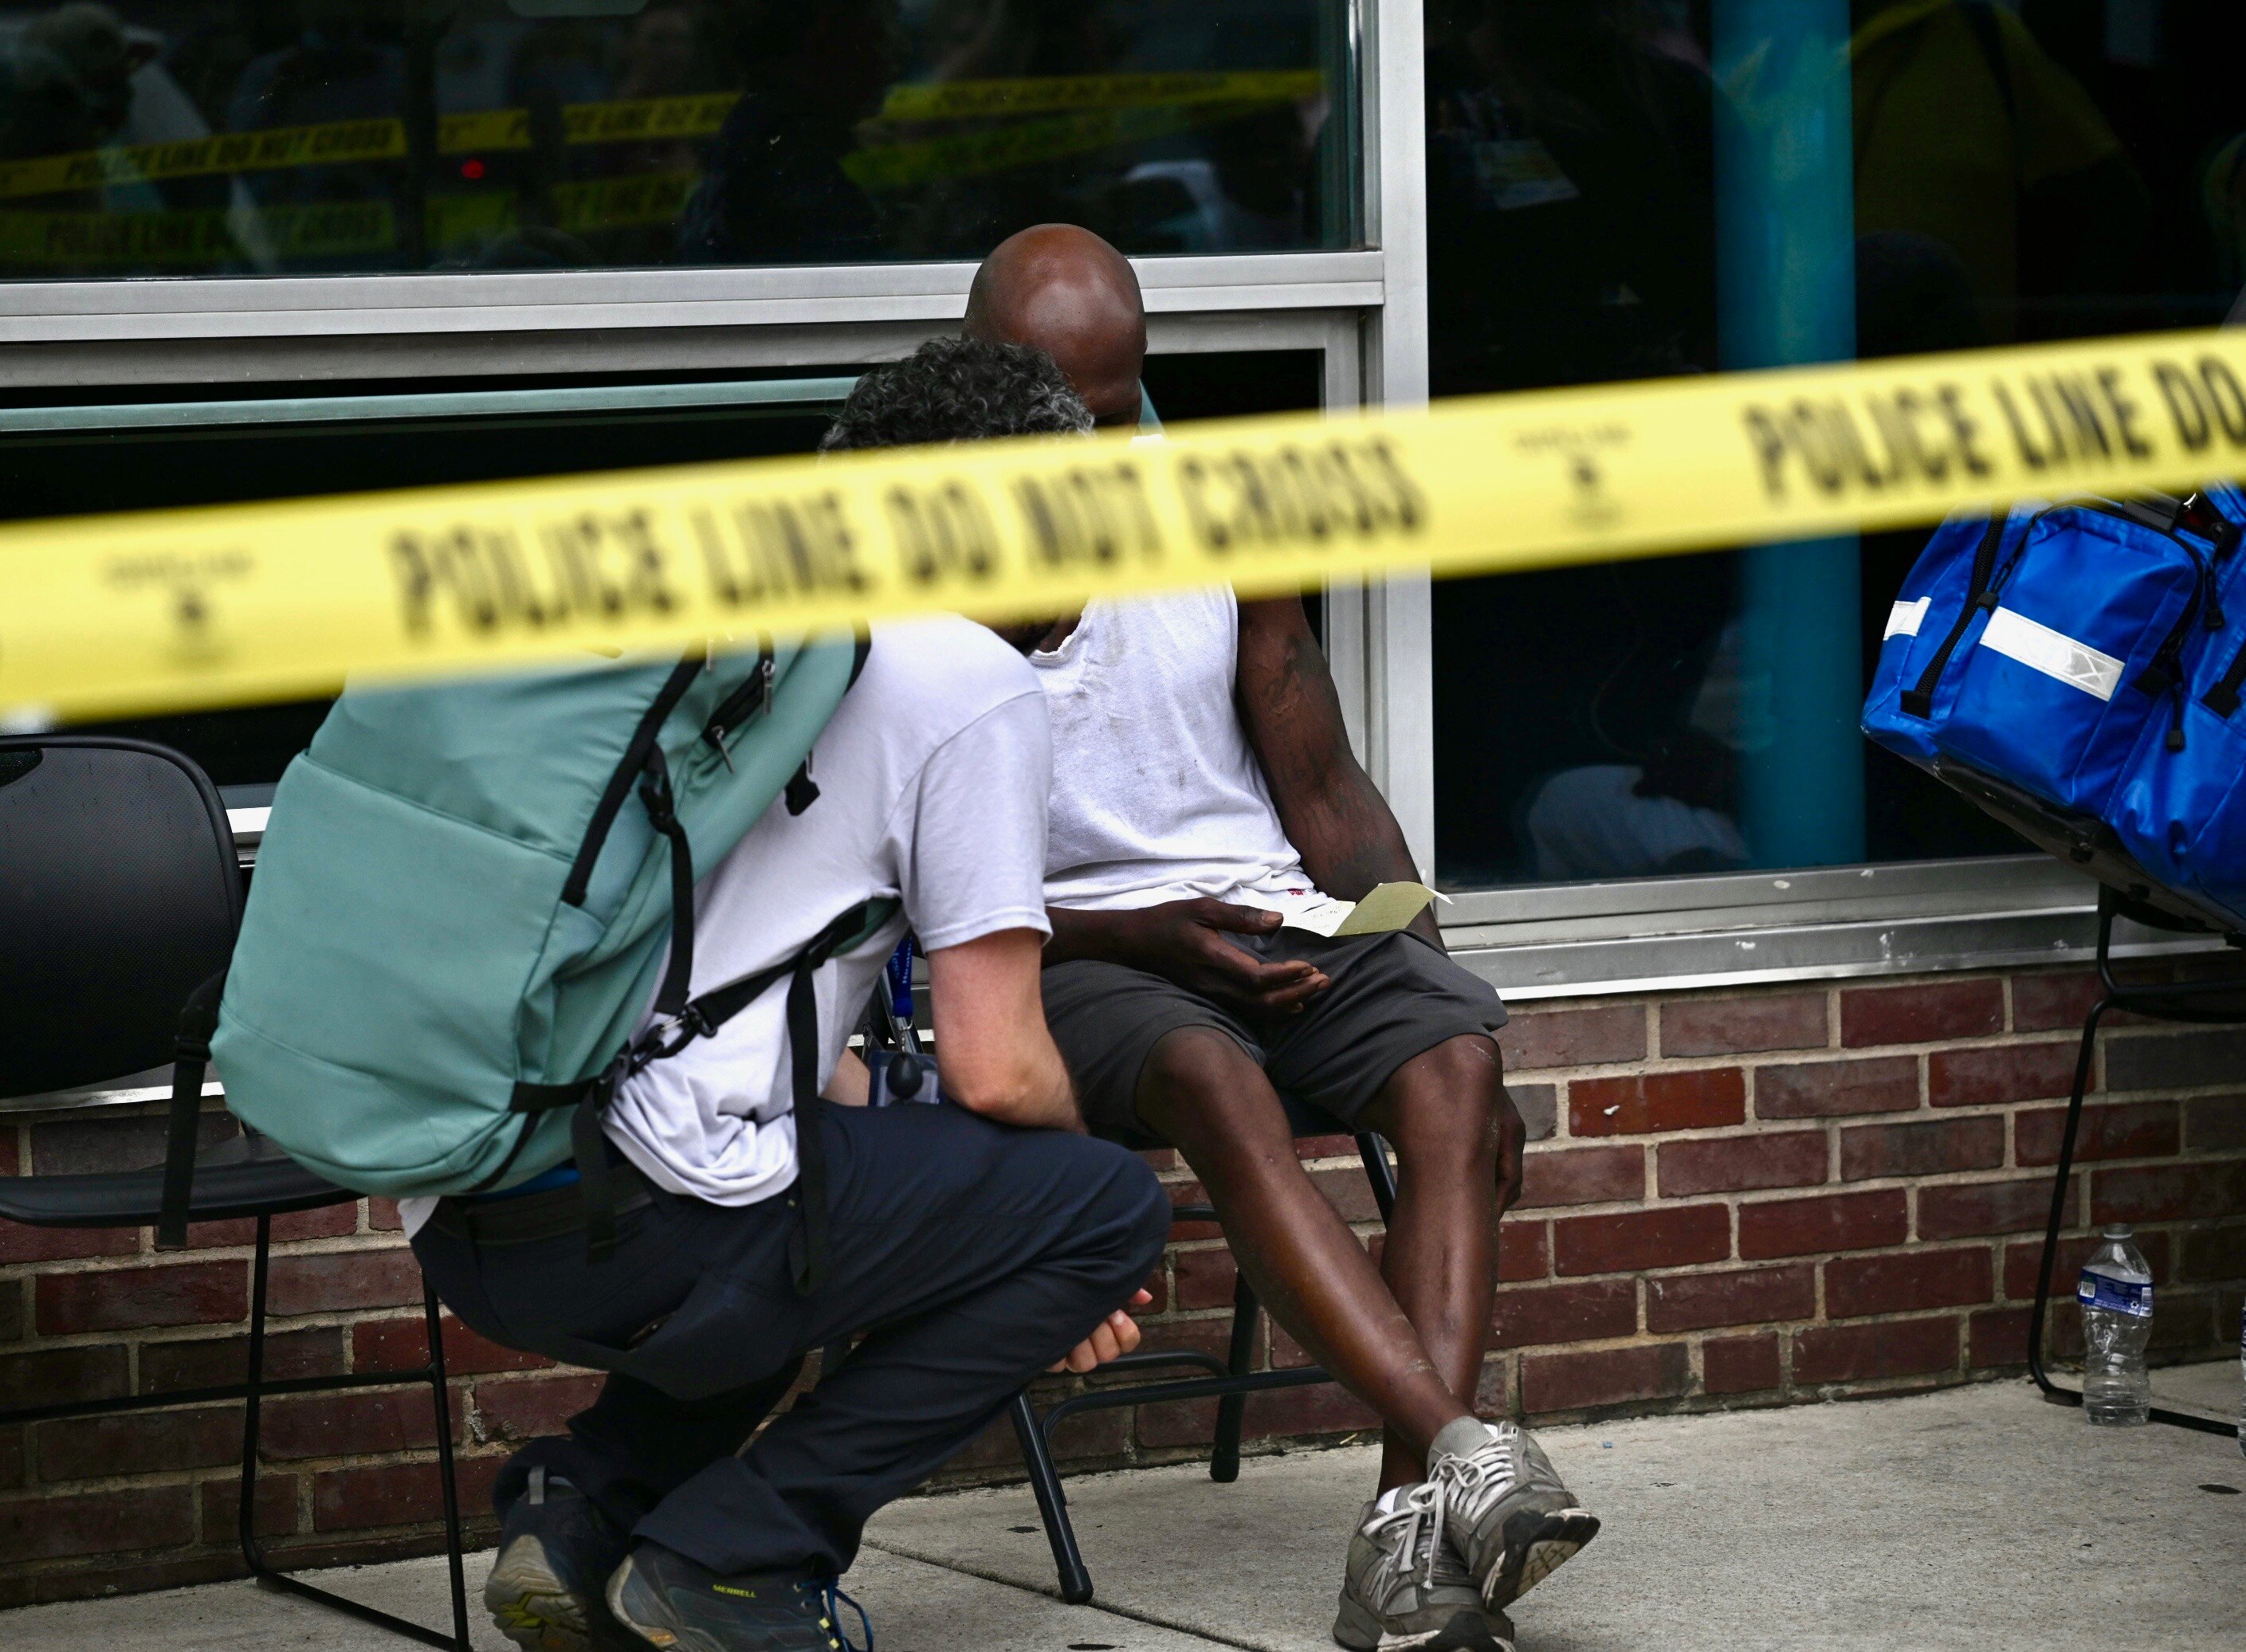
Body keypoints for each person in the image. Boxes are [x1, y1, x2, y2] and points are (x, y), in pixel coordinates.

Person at [405, 339, 1171, 1652]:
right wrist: (1068, 1250)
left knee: (803, 1192)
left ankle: (580, 1507)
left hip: (463, 1206)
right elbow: (997, 1065)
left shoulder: (733, 638)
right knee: (1102, 1205)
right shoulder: (964, 681)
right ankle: (735, 1559)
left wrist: (972, 1221)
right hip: (647, 1224)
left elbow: (759, 995)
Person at [963, 226, 1597, 1652]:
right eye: (1066, 410)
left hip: (1259, 908)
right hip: (1067, 949)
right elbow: (917, 894)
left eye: (1120, 404)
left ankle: (1409, 1543)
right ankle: (1459, 1442)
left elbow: (1320, 788)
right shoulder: (918, 559)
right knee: (1212, 1073)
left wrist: (1440, 978)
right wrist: (1158, 933)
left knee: (1451, 1075)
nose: (1100, 440)